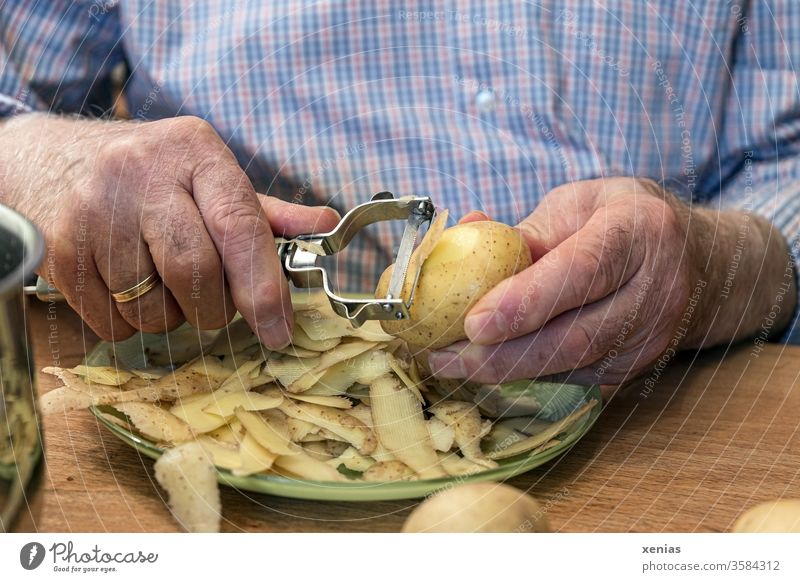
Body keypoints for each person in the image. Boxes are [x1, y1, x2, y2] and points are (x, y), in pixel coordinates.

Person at [0, 2, 797, 387]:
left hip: (664, 414)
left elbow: (785, 159)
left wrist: (719, 263)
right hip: (225, 385)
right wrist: (50, 162)